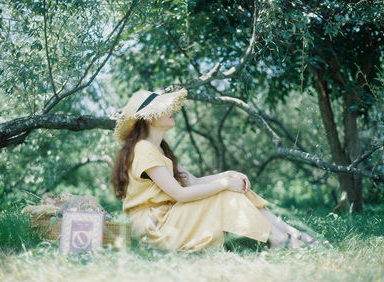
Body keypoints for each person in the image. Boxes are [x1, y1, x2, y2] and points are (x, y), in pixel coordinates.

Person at [110, 88, 319, 253]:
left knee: (230, 189)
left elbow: (192, 182)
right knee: (224, 193)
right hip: (156, 229)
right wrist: (225, 184)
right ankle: (280, 239)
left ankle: (289, 233)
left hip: (169, 218)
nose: (172, 110)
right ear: (150, 117)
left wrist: (227, 175)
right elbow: (180, 194)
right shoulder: (144, 149)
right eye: (165, 108)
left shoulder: (160, 149)